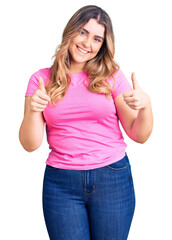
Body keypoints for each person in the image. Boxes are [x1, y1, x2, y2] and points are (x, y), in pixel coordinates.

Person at [19, 5, 153, 240]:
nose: (87, 43)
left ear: (103, 44)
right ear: (70, 31)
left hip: (111, 177)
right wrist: (33, 110)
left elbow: (138, 134)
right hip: (61, 182)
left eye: (97, 38)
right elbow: (30, 144)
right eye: (82, 32)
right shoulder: (41, 80)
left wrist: (146, 106)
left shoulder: (111, 76)